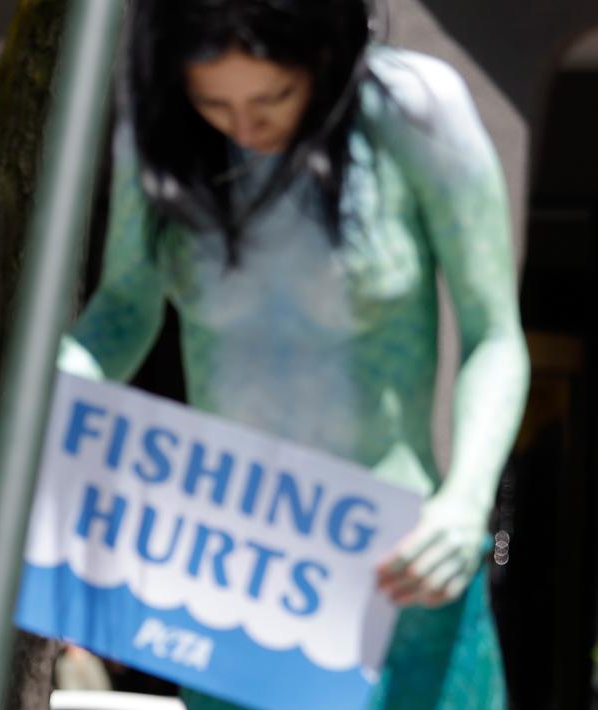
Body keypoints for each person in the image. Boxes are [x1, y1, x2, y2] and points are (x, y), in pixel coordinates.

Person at [60, 0, 529, 707]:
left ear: (324, 53)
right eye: (213, 103)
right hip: (234, 576)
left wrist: (466, 500)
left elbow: (493, 334)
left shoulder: (412, 108)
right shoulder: (159, 130)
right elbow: (123, 310)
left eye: (272, 96)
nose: (244, 128)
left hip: (399, 567)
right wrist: (40, 432)